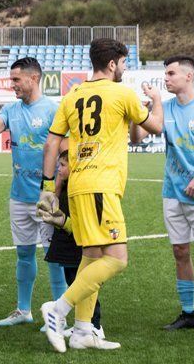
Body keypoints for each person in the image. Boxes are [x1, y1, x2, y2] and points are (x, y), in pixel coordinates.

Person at [39, 38, 164, 352]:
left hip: (79, 185)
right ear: (112, 64)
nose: (124, 68)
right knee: (117, 259)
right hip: (101, 186)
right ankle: (58, 310)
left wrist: (46, 187)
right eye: (123, 63)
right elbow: (156, 128)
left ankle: (83, 331)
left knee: (91, 257)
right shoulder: (122, 93)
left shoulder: (72, 95)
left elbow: (52, 144)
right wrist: (157, 101)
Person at [130, 55, 194, 335]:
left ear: (189, 76)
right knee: (179, 251)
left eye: (171, 73)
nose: (166, 78)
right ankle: (188, 313)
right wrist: (141, 112)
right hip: (171, 192)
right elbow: (137, 138)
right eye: (165, 73)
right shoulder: (166, 109)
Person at [0, 57, 67, 327]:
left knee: (54, 258)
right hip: (19, 196)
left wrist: (54, 193)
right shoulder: (10, 110)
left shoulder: (53, 110)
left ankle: (59, 316)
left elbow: (65, 156)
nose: (11, 84)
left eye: (16, 79)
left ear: (33, 78)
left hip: (47, 196)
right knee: (24, 254)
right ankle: (23, 310)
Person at [38, 147, 112, 346]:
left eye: (62, 166)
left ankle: (95, 325)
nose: (59, 169)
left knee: (85, 283)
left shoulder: (79, 191)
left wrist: (62, 222)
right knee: (72, 281)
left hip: (77, 245)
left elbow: (81, 226)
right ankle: (82, 325)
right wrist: (57, 186)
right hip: (66, 244)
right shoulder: (65, 185)